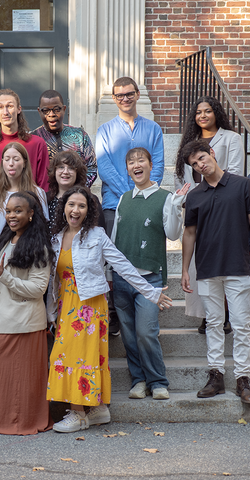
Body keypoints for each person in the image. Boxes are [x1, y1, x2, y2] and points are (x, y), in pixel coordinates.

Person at [47, 186, 172, 433]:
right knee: (70, 356)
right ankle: (99, 410)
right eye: (71, 204)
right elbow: (53, 281)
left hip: (89, 306)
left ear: (88, 210)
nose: (76, 210)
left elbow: (123, 266)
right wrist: (51, 313)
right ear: (64, 208)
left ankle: (78, 413)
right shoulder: (56, 238)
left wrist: (151, 292)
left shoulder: (96, 236)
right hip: (66, 305)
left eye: (81, 206)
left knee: (79, 357)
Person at [112, 148, 190, 400]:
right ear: (127, 169)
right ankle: (138, 380)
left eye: (140, 160)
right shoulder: (123, 198)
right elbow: (113, 240)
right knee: (129, 335)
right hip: (122, 280)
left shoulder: (165, 197)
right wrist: (108, 274)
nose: (136, 165)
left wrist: (177, 207)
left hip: (150, 280)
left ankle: (157, 381)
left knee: (146, 332)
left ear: (150, 164)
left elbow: (173, 234)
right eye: (131, 162)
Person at [0, 191, 54, 435]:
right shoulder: (5, 239)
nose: (11, 215)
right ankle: (0, 417)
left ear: (31, 214)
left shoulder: (39, 246)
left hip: (23, 319)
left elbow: (38, 288)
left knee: (20, 374)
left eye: (18, 210)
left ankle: (19, 420)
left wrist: (6, 276)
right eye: (8, 211)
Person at [180, 140, 250, 404]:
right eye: (194, 164)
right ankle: (216, 375)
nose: (200, 165)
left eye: (201, 158)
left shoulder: (242, 185)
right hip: (208, 267)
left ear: (211, 153)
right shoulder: (195, 195)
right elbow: (189, 233)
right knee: (213, 324)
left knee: (242, 325)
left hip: (238, 266)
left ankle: (243, 378)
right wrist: (185, 269)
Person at [96, 76, 165, 336]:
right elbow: (104, 167)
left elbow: (156, 164)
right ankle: (115, 310)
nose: (124, 98)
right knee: (115, 259)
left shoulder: (153, 129)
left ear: (137, 95)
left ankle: (145, 303)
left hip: (148, 203)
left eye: (129, 94)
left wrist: (144, 194)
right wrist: (129, 196)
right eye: (119, 95)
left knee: (142, 256)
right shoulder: (105, 130)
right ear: (114, 99)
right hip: (115, 204)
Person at [175, 96, 245, 335]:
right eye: (198, 112)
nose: (202, 116)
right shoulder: (190, 143)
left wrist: (215, 193)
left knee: (226, 263)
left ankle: (226, 313)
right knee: (200, 266)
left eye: (207, 111)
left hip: (225, 204)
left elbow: (235, 171)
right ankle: (207, 314)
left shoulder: (232, 138)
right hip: (198, 204)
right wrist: (193, 197)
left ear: (216, 112)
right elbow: (183, 177)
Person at [0, 89, 49, 207]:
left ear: (18, 109)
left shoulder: (38, 144)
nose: (5, 112)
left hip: (32, 214)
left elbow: (44, 187)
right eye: (0, 107)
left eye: (10, 106)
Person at [0, 142, 49, 256]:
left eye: (16, 159)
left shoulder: (37, 193)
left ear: (24, 163)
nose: (11, 164)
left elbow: (43, 230)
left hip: (28, 255)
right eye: (7, 159)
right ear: (2, 163)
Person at [32, 89, 97, 187]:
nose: (51, 114)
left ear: (64, 109)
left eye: (56, 109)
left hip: (77, 196)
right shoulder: (33, 139)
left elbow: (92, 167)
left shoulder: (79, 135)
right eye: (45, 110)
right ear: (39, 111)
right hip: (45, 198)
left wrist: (77, 190)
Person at [46, 150, 104, 232]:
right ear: (54, 171)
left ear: (78, 173)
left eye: (71, 168)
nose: (65, 172)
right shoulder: (45, 200)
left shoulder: (90, 199)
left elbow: (99, 232)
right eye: (61, 167)